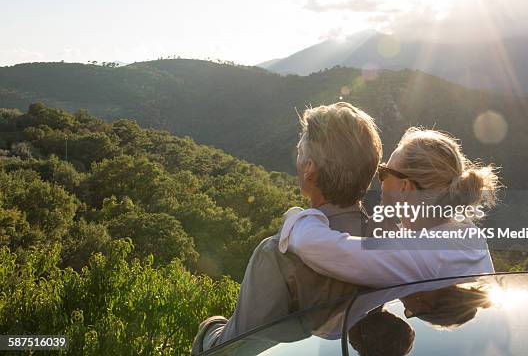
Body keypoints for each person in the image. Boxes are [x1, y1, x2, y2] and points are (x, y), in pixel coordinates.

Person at [192, 102, 392, 354]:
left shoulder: (278, 255)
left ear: (310, 169)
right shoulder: (392, 239)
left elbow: (237, 349)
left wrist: (210, 328)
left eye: (300, 151)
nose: (296, 158)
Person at [279, 127, 501, 288]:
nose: (379, 180)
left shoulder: (424, 253)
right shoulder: (465, 230)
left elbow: (319, 247)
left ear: (404, 186)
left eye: (384, 173)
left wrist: (298, 216)